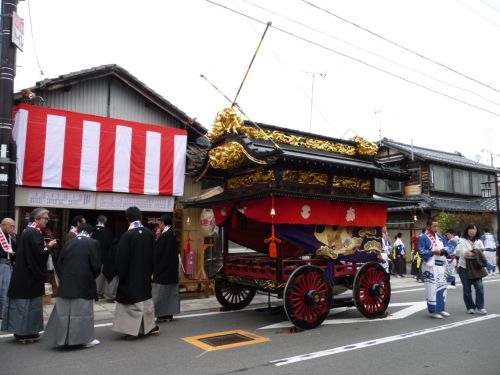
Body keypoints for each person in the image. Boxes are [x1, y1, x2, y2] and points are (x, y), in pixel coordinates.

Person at [1, 208, 57, 343]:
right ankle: (27, 334)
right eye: (45, 218)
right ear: (36, 219)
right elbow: (39, 253)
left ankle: (19, 332)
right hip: (29, 277)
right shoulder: (34, 233)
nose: (47, 221)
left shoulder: (27, 231)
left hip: (21, 274)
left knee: (19, 306)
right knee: (29, 306)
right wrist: (49, 245)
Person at [44, 223, 101, 348]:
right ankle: (85, 340)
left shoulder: (68, 242)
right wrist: (90, 277)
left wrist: (64, 278)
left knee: (64, 314)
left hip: (66, 284)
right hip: (84, 284)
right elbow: (96, 267)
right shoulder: (93, 243)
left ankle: (62, 340)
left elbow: (59, 263)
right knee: (83, 313)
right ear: (90, 233)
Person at [112, 206, 159, 339]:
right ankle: (147, 328)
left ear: (128, 219)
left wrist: (120, 273)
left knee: (131, 304)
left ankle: (131, 332)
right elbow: (154, 256)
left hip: (130, 276)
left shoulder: (127, 235)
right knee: (145, 301)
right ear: (141, 217)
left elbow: (121, 259)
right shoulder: (149, 233)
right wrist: (151, 272)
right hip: (144, 275)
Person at [418, 218, 449, 319]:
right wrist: (433, 252)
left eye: (437, 226)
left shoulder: (439, 237)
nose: (436, 228)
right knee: (432, 288)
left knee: (442, 287)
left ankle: (441, 309)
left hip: (441, 265)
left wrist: (445, 251)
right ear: (428, 227)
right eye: (434, 226)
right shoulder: (423, 237)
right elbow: (421, 252)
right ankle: (433, 311)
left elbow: (446, 247)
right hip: (430, 266)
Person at [152, 214, 180, 323]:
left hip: (163, 270)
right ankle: (168, 314)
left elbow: (158, 252)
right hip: (170, 270)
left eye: (160, 222)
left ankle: (162, 314)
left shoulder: (165, 235)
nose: (159, 225)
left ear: (163, 223)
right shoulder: (171, 234)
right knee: (170, 293)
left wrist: (157, 239)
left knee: (161, 293)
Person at [456, 224, 487, 315]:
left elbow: (482, 252)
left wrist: (473, 253)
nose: (472, 231)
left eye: (474, 229)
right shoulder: (462, 240)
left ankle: (480, 307)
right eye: (470, 229)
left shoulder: (479, 241)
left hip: (476, 268)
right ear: (467, 230)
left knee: (480, 287)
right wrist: (477, 252)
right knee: (467, 289)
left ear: (477, 231)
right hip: (464, 268)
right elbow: (464, 254)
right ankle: (470, 307)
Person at [93, 215, 116, 301]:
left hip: (92, 256)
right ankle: (99, 292)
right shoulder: (108, 231)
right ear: (105, 221)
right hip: (103, 257)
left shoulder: (92, 229)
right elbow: (110, 245)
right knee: (100, 276)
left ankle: (93, 291)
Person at [0, 217, 16, 318]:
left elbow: (14, 250)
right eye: (11, 226)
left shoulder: (10, 236)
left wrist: (14, 239)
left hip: (8, 264)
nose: (13, 228)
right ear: (4, 225)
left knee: (5, 290)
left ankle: (3, 313)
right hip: (1, 263)